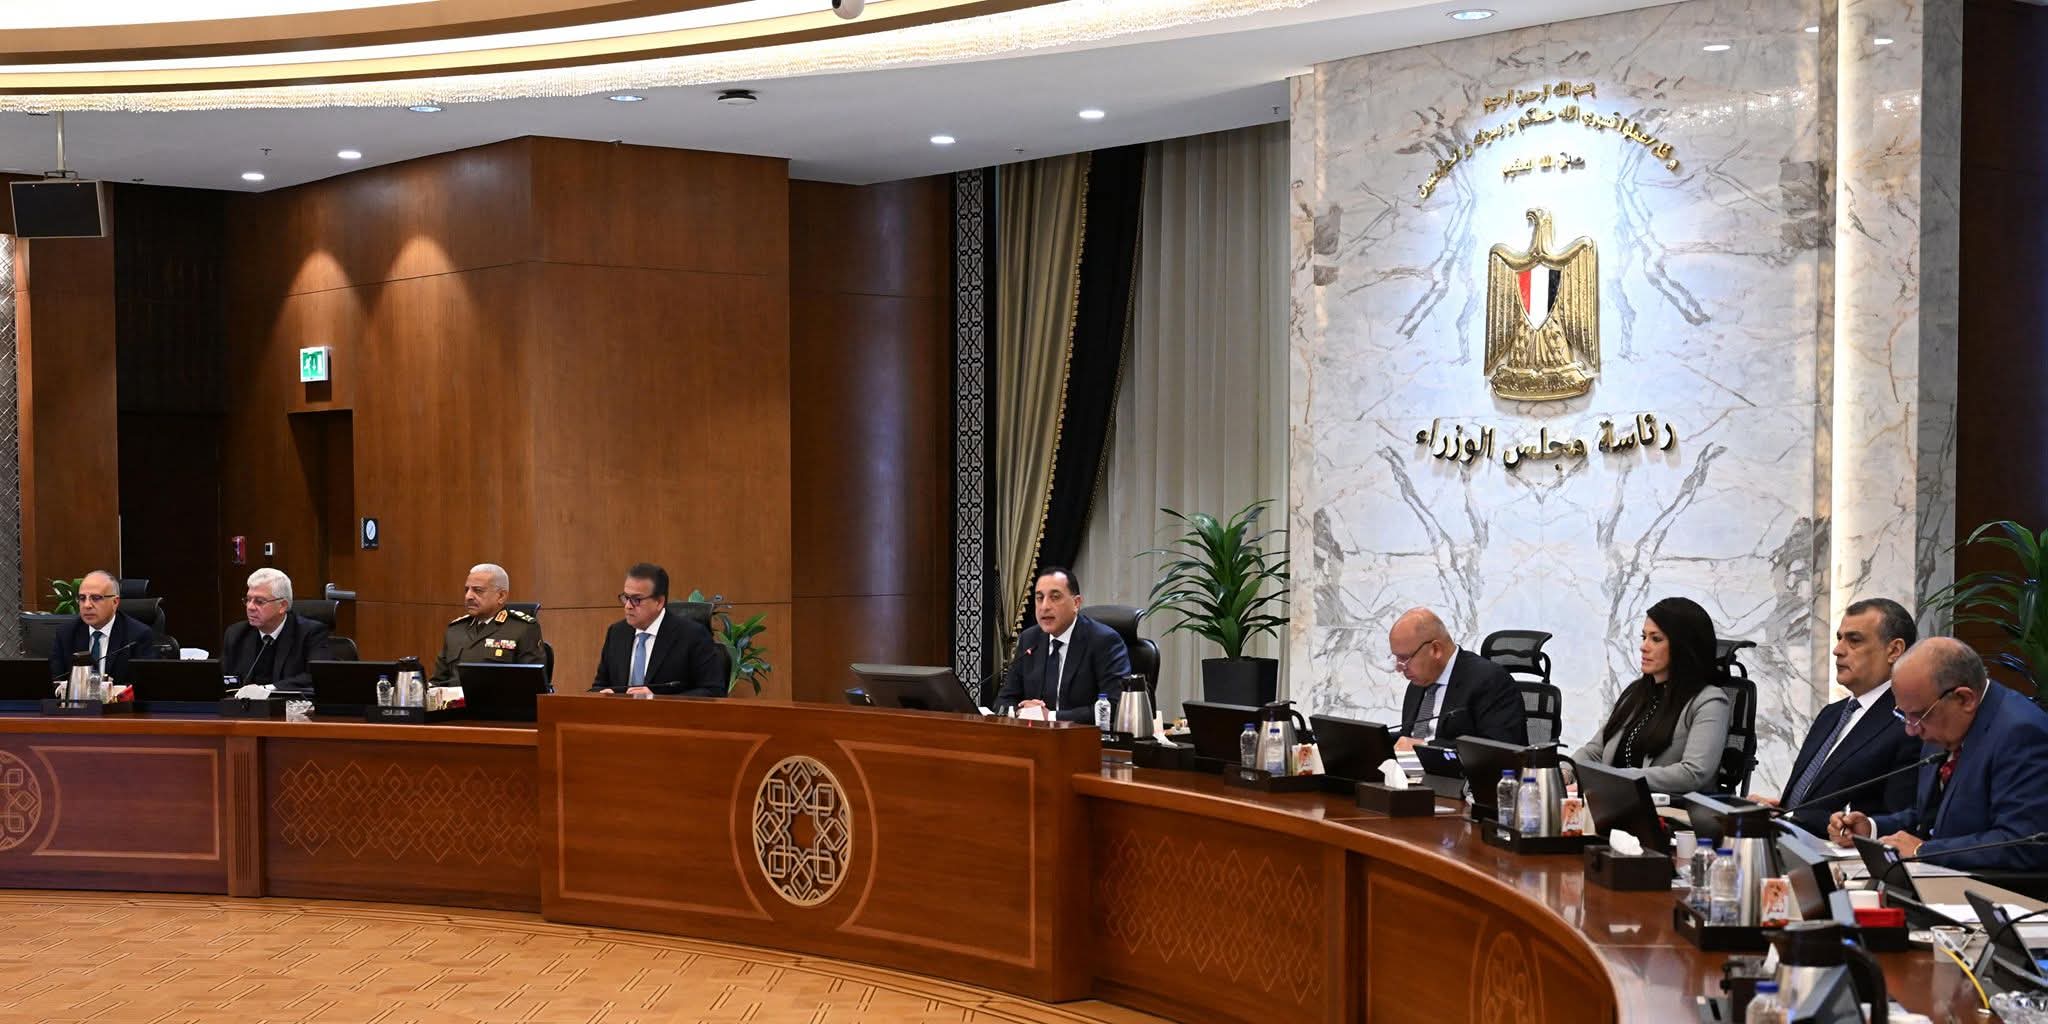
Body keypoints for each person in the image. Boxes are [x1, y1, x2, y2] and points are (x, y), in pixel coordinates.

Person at [1828, 638, 2048, 871]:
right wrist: (1871, 828)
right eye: (1903, 715)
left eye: (1917, 715)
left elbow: (2023, 843)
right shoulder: (1939, 721)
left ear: (1964, 699)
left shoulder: (2021, 733)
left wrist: (1922, 852)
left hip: (1992, 889)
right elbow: (1932, 817)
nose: (1910, 730)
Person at [1751, 598, 1923, 837]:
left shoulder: (1910, 723)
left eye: (1854, 640)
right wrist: (1778, 812)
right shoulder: (1832, 713)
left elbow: (1900, 821)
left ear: (1894, 650)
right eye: (1839, 638)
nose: (1838, 650)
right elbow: (1813, 803)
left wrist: (1792, 819)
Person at [1572, 596, 1731, 795]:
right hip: (1615, 801)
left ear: (1682, 646)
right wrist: (1566, 771)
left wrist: (1615, 779)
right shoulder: (1636, 693)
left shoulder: (1709, 702)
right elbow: (1594, 752)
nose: (1643, 646)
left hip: (1671, 810)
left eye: (1656, 639)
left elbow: (1693, 773)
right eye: (1644, 637)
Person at [994, 567, 1132, 722]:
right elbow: (1003, 701)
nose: (1044, 606)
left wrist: (1050, 716)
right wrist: (1021, 711)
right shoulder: (1029, 640)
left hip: (1082, 736)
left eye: (1055, 597)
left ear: (1076, 603)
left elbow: (1115, 706)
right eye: (1039, 598)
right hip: (1036, 735)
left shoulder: (1104, 641)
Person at [1386, 608, 1526, 750]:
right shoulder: (1417, 683)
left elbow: (1499, 747)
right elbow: (1410, 735)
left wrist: (1424, 747)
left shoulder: (1490, 681)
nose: (1399, 667)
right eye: (1396, 658)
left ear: (1436, 649)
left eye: (1405, 658)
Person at [591, 563, 726, 697]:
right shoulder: (617, 633)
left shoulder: (692, 635)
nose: (628, 606)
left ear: (659, 602)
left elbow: (713, 691)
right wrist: (604, 695)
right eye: (626, 597)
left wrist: (658, 700)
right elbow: (599, 686)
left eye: (636, 599)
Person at [220, 568, 332, 691]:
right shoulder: (236, 634)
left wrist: (267, 689)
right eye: (248, 599)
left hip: (287, 702)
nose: (250, 607)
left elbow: (316, 677)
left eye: (259, 601)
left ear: (282, 606)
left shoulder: (311, 633)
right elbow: (225, 677)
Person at [430, 563, 544, 684]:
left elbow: (531, 684)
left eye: (478, 590)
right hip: (454, 696)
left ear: (501, 596)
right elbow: (437, 682)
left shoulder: (522, 629)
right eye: (466, 590)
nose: (468, 596)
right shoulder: (455, 630)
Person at [48, 569, 162, 686]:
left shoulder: (138, 636)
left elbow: (144, 686)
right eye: (82, 598)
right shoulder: (66, 633)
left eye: (96, 598)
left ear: (115, 602)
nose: (87, 605)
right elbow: (55, 680)